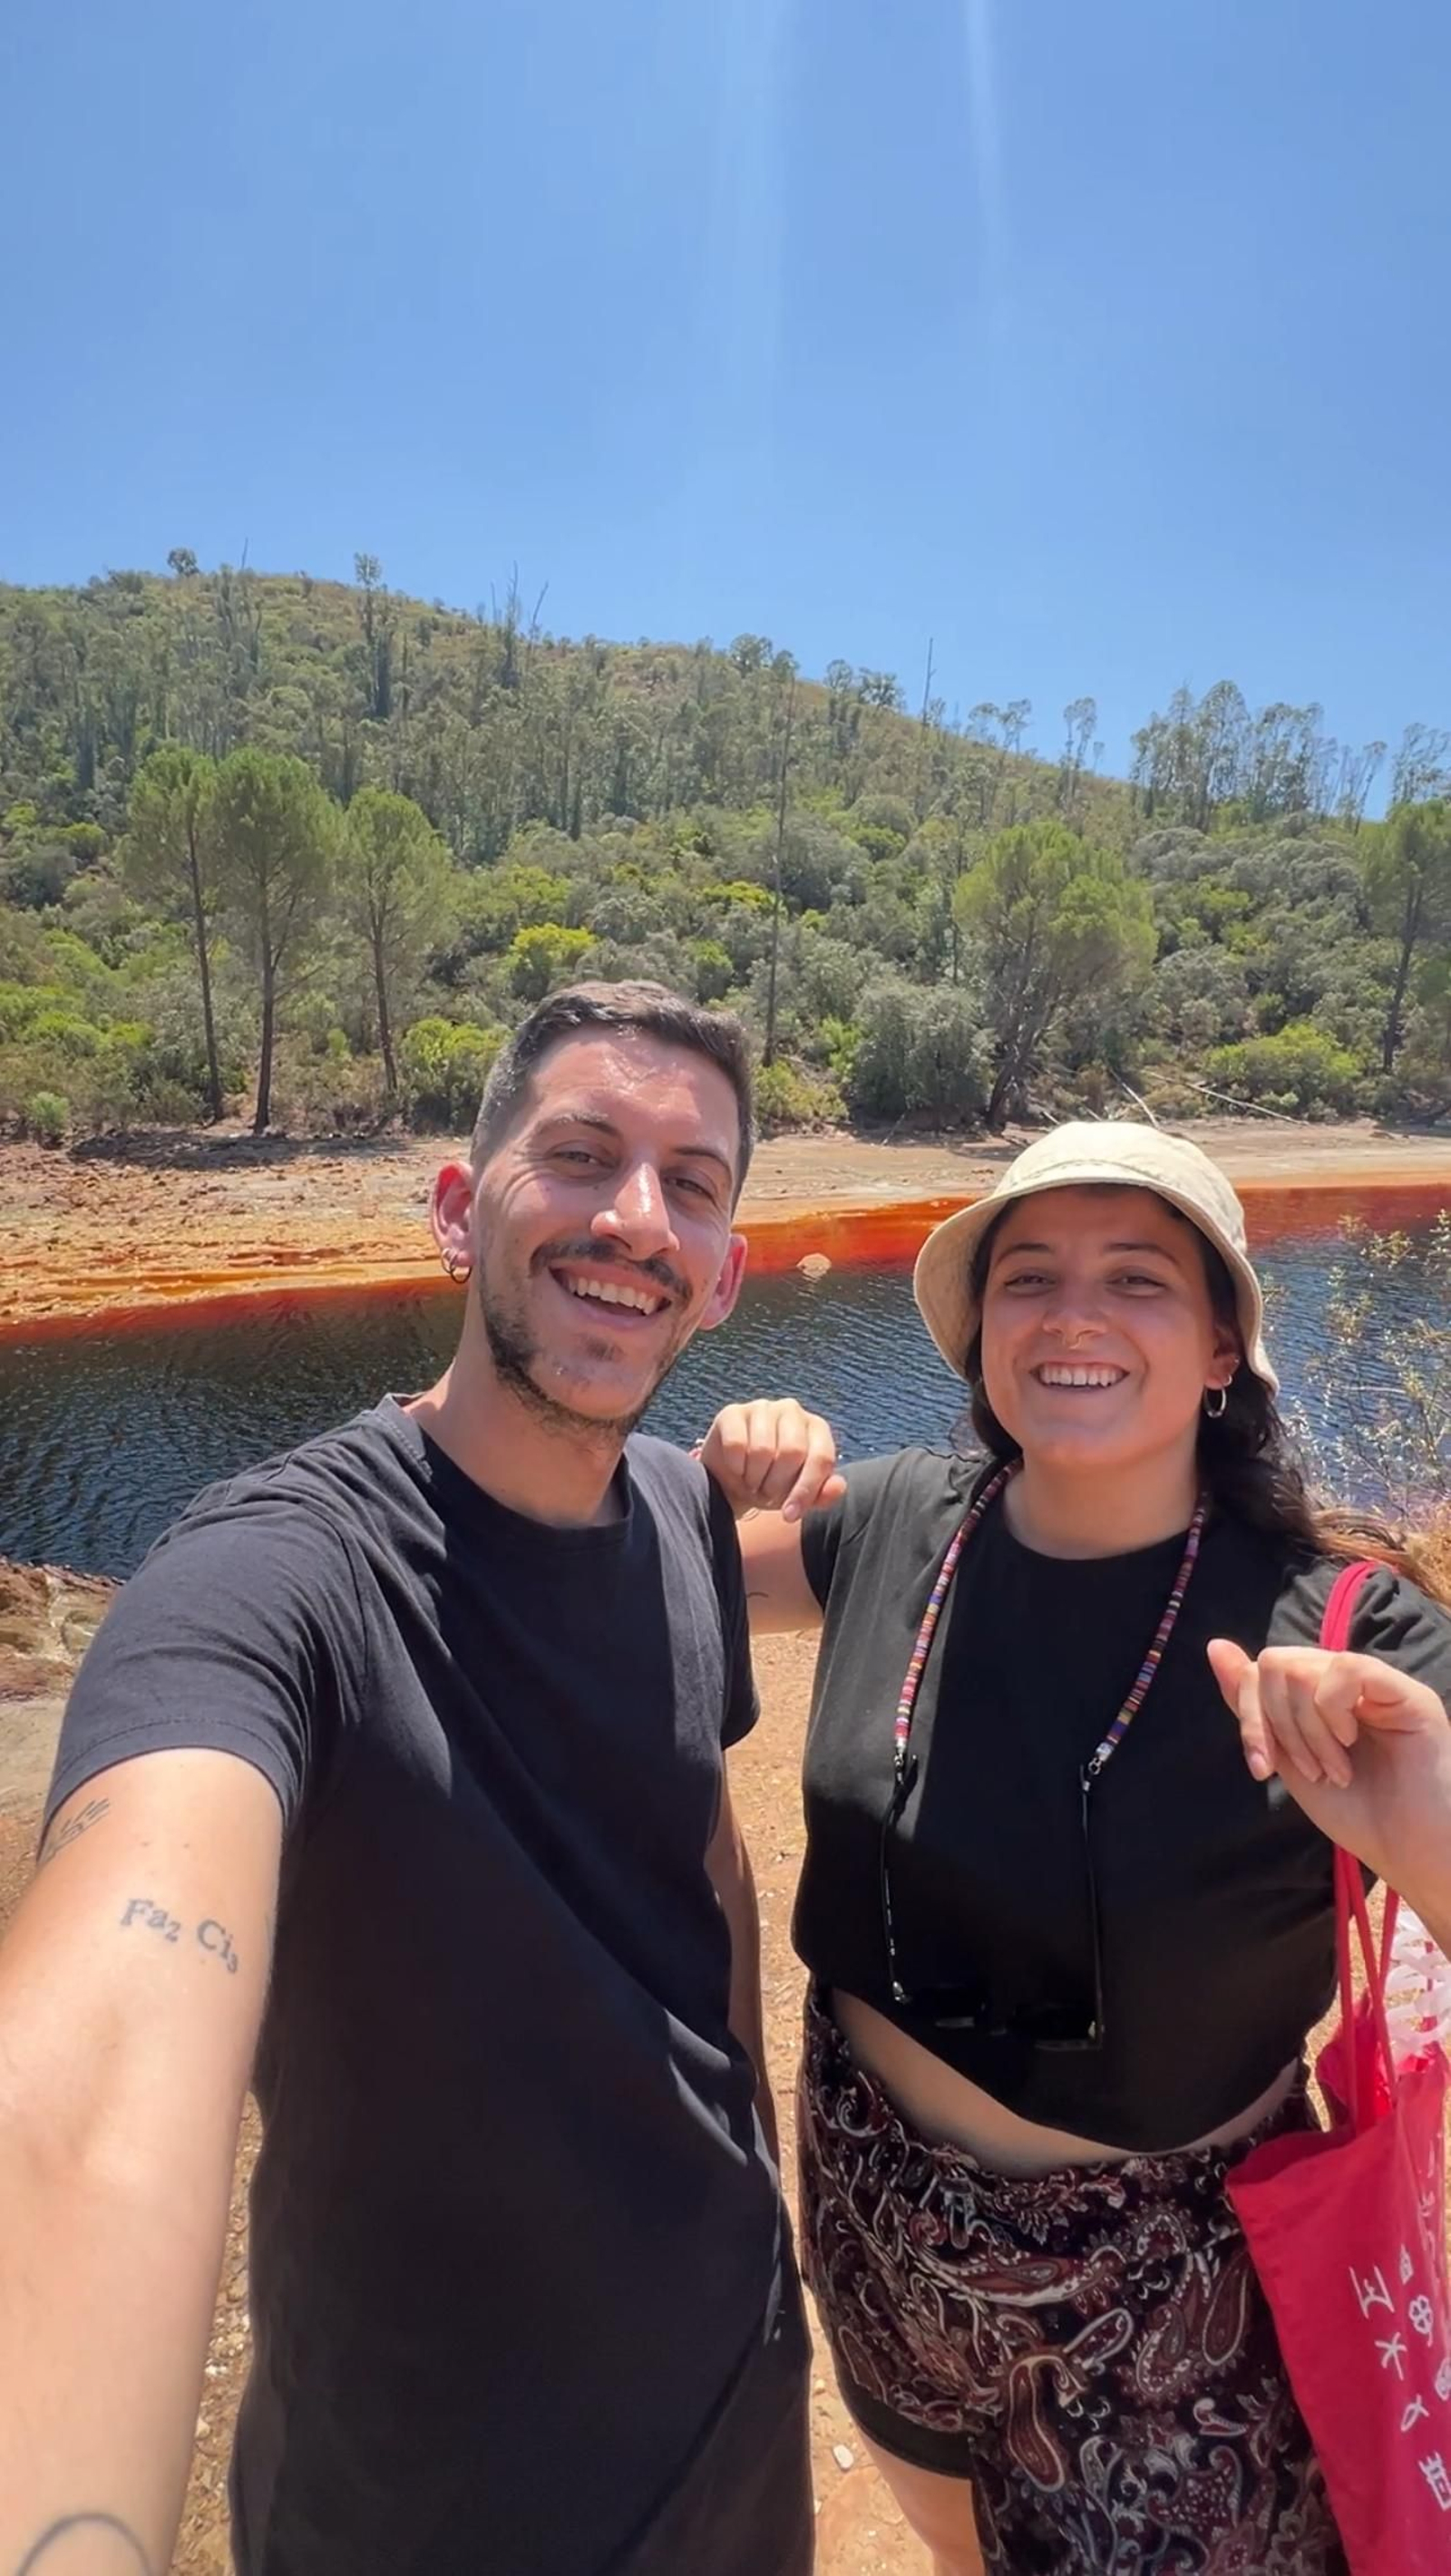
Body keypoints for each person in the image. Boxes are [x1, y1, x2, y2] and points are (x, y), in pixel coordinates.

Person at [0, 983, 813, 2576]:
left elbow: (704, 1865)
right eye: (581, 1154)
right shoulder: (268, 1578)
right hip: (428, 2500)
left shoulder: (678, 1515)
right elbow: (86, 2103)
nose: (636, 1217)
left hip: (731, 2406)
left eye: (692, 1186)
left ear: (720, 1278)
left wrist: (757, 2199)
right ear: (459, 1210)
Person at [701, 1122, 1451, 2576]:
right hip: (869, 2200)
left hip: (1163, 2288)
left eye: (1139, 1277)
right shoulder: (903, 1518)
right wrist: (698, 1462)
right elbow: (627, 1577)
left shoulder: (1347, 1628)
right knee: (955, 2542)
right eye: (1029, 1275)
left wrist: (1415, 1809)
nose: (1075, 1314)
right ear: (984, 1330)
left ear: (1224, 1345)